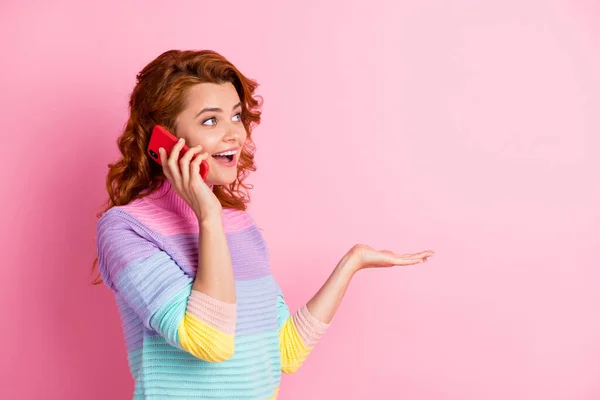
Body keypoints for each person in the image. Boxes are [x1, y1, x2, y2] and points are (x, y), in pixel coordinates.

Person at [92, 49, 435, 400]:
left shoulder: (240, 227)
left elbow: (284, 351)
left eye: (236, 116)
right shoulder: (126, 228)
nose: (234, 135)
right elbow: (209, 341)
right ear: (164, 140)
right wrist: (208, 217)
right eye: (211, 121)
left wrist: (352, 263)